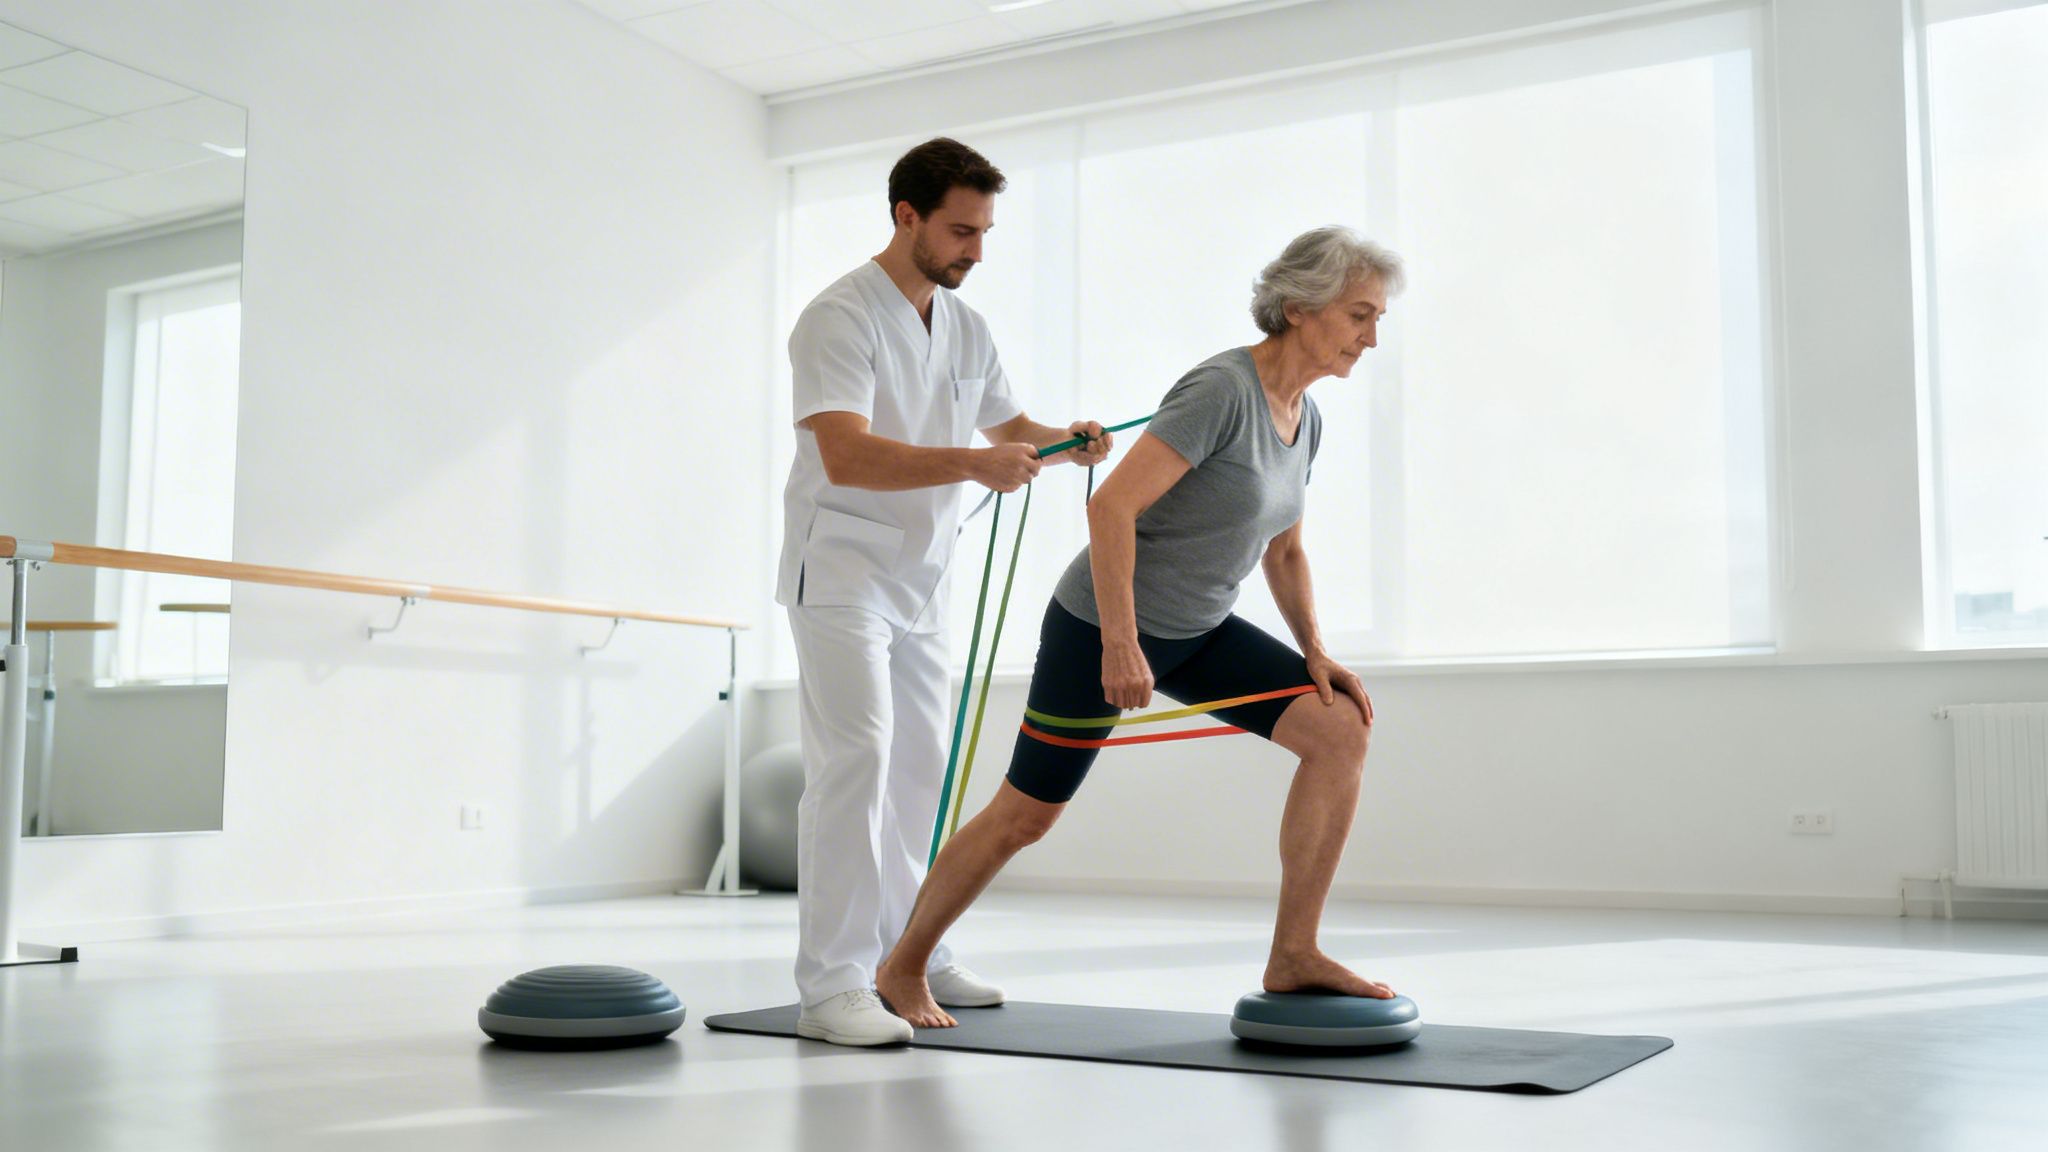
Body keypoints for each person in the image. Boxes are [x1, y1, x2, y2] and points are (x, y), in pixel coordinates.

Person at [875, 226, 1403, 1029]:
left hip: (1199, 627)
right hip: (1099, 624)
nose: (1372, 336)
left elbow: (1286, 547)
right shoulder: (1222, 390)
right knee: (1027, 814)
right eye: (1361, 315)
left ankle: (1294, 954)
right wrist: (1121, 643)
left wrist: (1315, 654)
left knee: (1340, 731)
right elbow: (1114, 505)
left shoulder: (1307, 417)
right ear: (1301, 308)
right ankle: (902, 965)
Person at [777, 137, 1112, 1046]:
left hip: (923, 581)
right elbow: (843, 454)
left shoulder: (966, 325)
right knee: (858, 762)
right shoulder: (837, 318)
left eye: (985, 232)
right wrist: (977, 461)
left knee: (923, 768)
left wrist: (1063, 440)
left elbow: (1010, 429)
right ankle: (830, 984)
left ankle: (907, 952)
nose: (975, 249)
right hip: (841, 572)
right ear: (906, 216)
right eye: (962, 231)